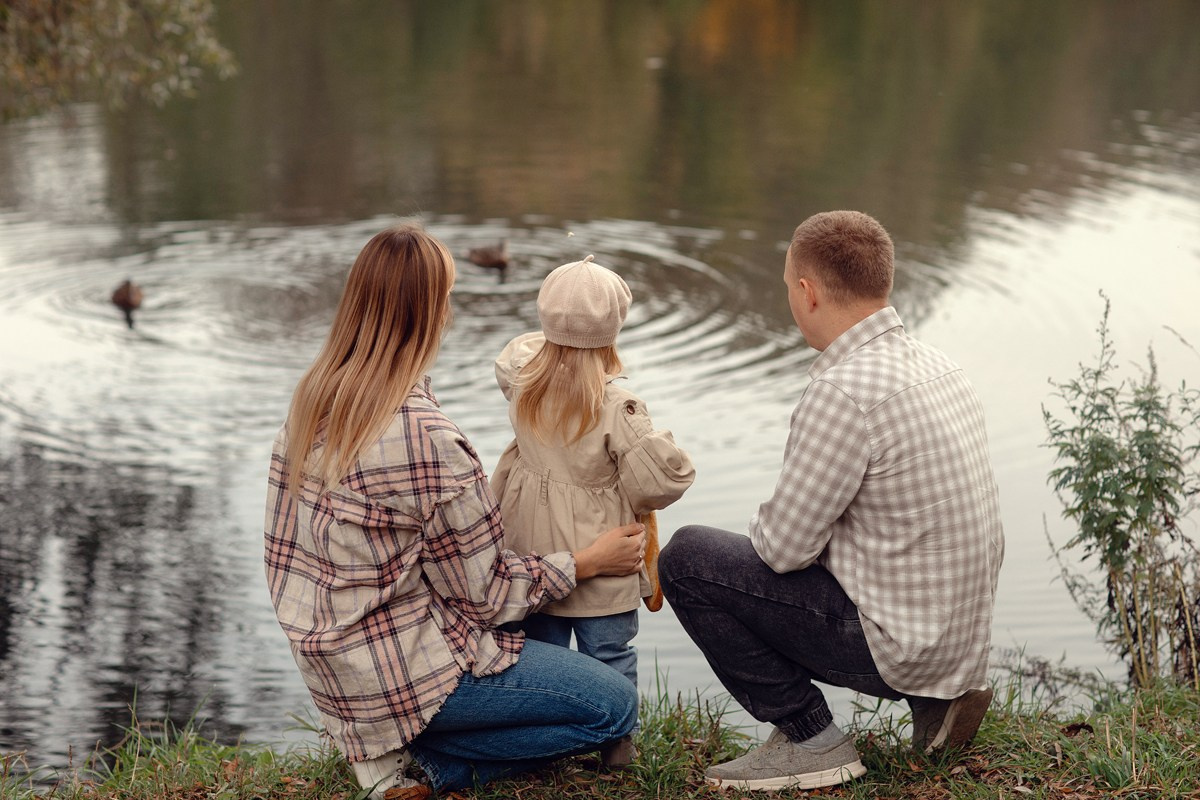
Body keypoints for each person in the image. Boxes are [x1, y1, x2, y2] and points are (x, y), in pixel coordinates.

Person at [263, 225, 647, 800]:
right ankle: (429, 764)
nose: (450, 310)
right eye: (446, 297)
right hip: (404, 677)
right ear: (428, 315)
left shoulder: (313, 399)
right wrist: (587, 561)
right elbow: (487, 596)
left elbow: (282, 556)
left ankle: (390, 746)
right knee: (613, 708)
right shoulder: (428, 438)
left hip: (333, 673)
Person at [658, 210, 1005, 792]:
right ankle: (937, 700)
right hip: (958, 644)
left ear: (807, 291)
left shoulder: (843, 390)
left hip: (900, 646)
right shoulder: (941, 366)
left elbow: (782, 551)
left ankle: (810, 738)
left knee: (688, 559)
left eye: (786, 289)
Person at [491, 255, 696, 765]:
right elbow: (661, 483)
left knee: (542, 656)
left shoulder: (521, 380)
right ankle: (616, 745)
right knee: (609, 654)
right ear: (613, 332)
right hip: (604, 554)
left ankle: (548, 740)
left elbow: (521, 349)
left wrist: (557, 337)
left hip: (534, 550)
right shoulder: (616, 406)